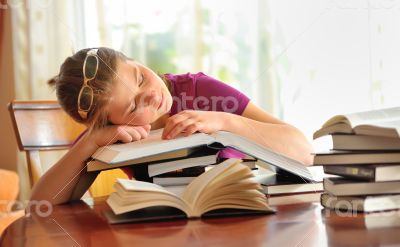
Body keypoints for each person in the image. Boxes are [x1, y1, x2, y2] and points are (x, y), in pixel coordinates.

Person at [30, 47, 314, 205]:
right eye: (132, 107)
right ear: (114, 122)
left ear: (136, 61)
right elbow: (40, 205)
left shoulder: (198, 89)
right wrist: (91, 143)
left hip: (246, 215)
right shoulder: (112, 135)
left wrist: (224, 121)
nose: (151, 95)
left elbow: (302, 149)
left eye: (140, 78)